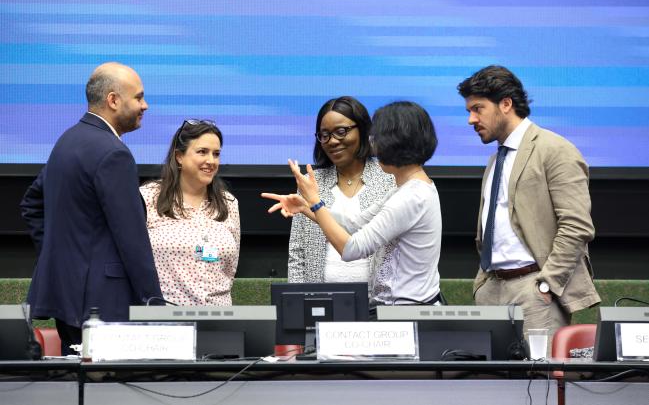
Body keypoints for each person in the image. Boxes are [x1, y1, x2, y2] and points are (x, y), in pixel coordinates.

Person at [20, 62, 163, 355]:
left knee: (78, 392)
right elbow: (131, 239)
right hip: (104, 306)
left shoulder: (67, 140)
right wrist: (154, 304)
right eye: (138, 97)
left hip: (66, 300)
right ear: (113, 100)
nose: (145, 105)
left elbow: (31, 203)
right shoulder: (114, 154)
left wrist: (60, 258)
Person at [457, 65, 601, 345]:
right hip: (492, 287)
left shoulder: (555, 149)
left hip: (534, 289)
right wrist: (483, 284)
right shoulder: (496, 159)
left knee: (541, 383)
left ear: (506, 104)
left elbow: (577, 225)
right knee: (490, 385)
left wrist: (547, 284)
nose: (471, 120)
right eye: (469, 111)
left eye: (478, 109)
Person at [263, 101, 442, 308]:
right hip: (397, 309)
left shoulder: (412, 196)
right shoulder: (408, 189)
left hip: (407, 311)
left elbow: (352, 249)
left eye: (378, 138)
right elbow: (352, 224)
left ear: (396, 141)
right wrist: (307, 207)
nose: (374, 145)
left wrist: (315, 202)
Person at [288, 96, 395, 283]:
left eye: (341, 131)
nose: (332, 141)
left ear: (362, 130)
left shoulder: (389, 179)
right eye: (324, 135)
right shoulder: (310, 182)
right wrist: (299, 304)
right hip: (319, 302)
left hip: (375, 304)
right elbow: (297, 256)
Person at [140, 120, 240, 306]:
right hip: (166, 320)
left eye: (216, 154)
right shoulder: (148, 197)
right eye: (202, 152)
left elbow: (230, 269)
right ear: (179, 156)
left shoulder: (229, 203)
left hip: (219, 320)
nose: (211, 161)